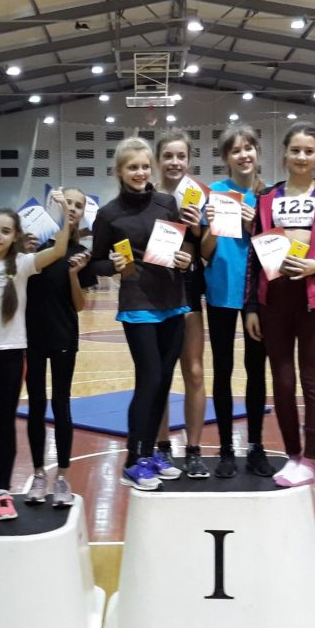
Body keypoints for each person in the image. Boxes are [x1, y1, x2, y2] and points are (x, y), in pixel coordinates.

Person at [0, 193, 76, 530]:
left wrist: (64, 213)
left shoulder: (23, 264)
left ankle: (4, 492)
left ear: (15, 236)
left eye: (5, 231)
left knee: (4, 425)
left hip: (11, 356)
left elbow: (59, 251)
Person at [245, 122, 315, 489]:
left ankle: (311, 459)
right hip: (273, 299)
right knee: (282, 379)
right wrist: (251, 306)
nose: (302, 156)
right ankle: (293, 454)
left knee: (311, 378)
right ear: (285, 154)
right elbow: (253, 256)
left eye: (309, 151)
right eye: (296, 150)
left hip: (313, 299)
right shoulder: (266, 198)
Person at [89, 137, 194, 491]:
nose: (140, 172)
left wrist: (185, 259)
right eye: (132, 167)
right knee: (148, 379)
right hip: (138, 305)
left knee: (163, 380)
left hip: (173, 300)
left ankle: (150, 454)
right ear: (119, 171)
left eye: (145, 166)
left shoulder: (167, 203)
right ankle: (133, 460)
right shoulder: (109, 214)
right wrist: (112, 266)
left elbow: (181, 247)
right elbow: (95, 263)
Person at [200, 124, 272, 478]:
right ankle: (226, 447)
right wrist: (213, 229)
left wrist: (254, 225)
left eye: (248, 148)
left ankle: (256, 446)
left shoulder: (270, 196)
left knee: (257, 370)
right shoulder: (214, 193)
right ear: (226, 158)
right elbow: (204, 252)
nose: (244, 155)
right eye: (235, 150)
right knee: (223, 369)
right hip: (221, 290)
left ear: (257, 151)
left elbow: (275, 250)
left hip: (257, 295)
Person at [24, 188, 95, 507]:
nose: (73, 209)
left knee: (61, 404)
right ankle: (39, 474)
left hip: (64, 336)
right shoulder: (33, 246)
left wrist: (74, 275)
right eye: (69, 203)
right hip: (31, 337)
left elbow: (79, 305)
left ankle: (63, 477)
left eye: (79, 205)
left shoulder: (81, 254)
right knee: (36, 404)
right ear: (55, 203)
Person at [153, 132, 210, 478]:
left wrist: (199, 228)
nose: (175, 162)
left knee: (194, 371)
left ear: (189, 160)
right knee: (160, 373)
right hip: (155, 291)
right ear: (158, 160)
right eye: (168, 156)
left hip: (188, 289)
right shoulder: (146, 197)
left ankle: (193, 450)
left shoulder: (201, 196)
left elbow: (208, 252)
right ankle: (162, 448)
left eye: (181, 156)